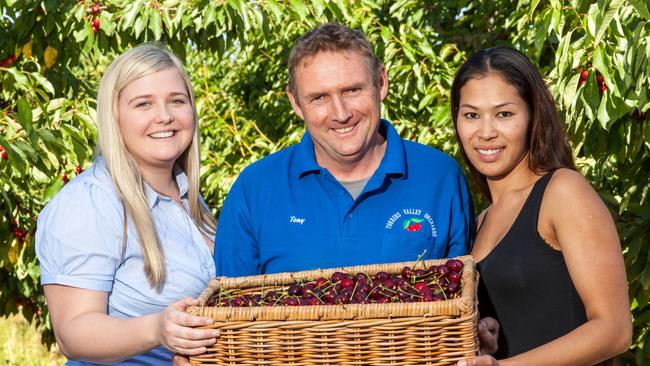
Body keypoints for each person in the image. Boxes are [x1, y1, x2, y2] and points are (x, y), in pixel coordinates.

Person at [213, 23, 474, 277]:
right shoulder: (255, 188)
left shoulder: (440, 176)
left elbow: (462, 295)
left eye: (352, 90)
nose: (341, 113)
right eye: (319, 98)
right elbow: (230, 309)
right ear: (295, 102)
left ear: (381, 82)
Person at [35, 43, 220, 365]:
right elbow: (73, 333)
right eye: (143, 104)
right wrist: (157, 329)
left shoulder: (189, 197)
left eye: (176, 101)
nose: (164, 116)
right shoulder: (89, 204)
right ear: (114, 117)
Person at [450, 47, 632, 365]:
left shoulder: (562, 191)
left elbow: (614, 330)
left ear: (533, 115)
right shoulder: (477, 224)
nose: (486, 131)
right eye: (471, 115)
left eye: (504, 114)